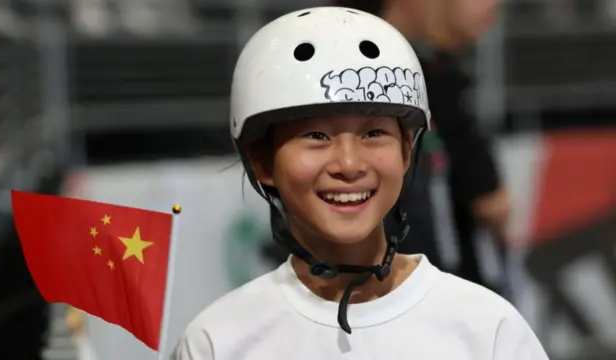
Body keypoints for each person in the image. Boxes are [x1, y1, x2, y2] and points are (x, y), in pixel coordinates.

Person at [176, 7, 547, 360]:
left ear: (406, 152)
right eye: (317, 135)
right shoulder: (219, 340)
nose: (349, 164)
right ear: (262, 161)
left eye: (373, 133)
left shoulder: (488, 327)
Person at [334, 0, 512, 294]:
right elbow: (493, 206)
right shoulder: (413, 81)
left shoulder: (431, 74)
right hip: (411, 298)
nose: (493, 4)